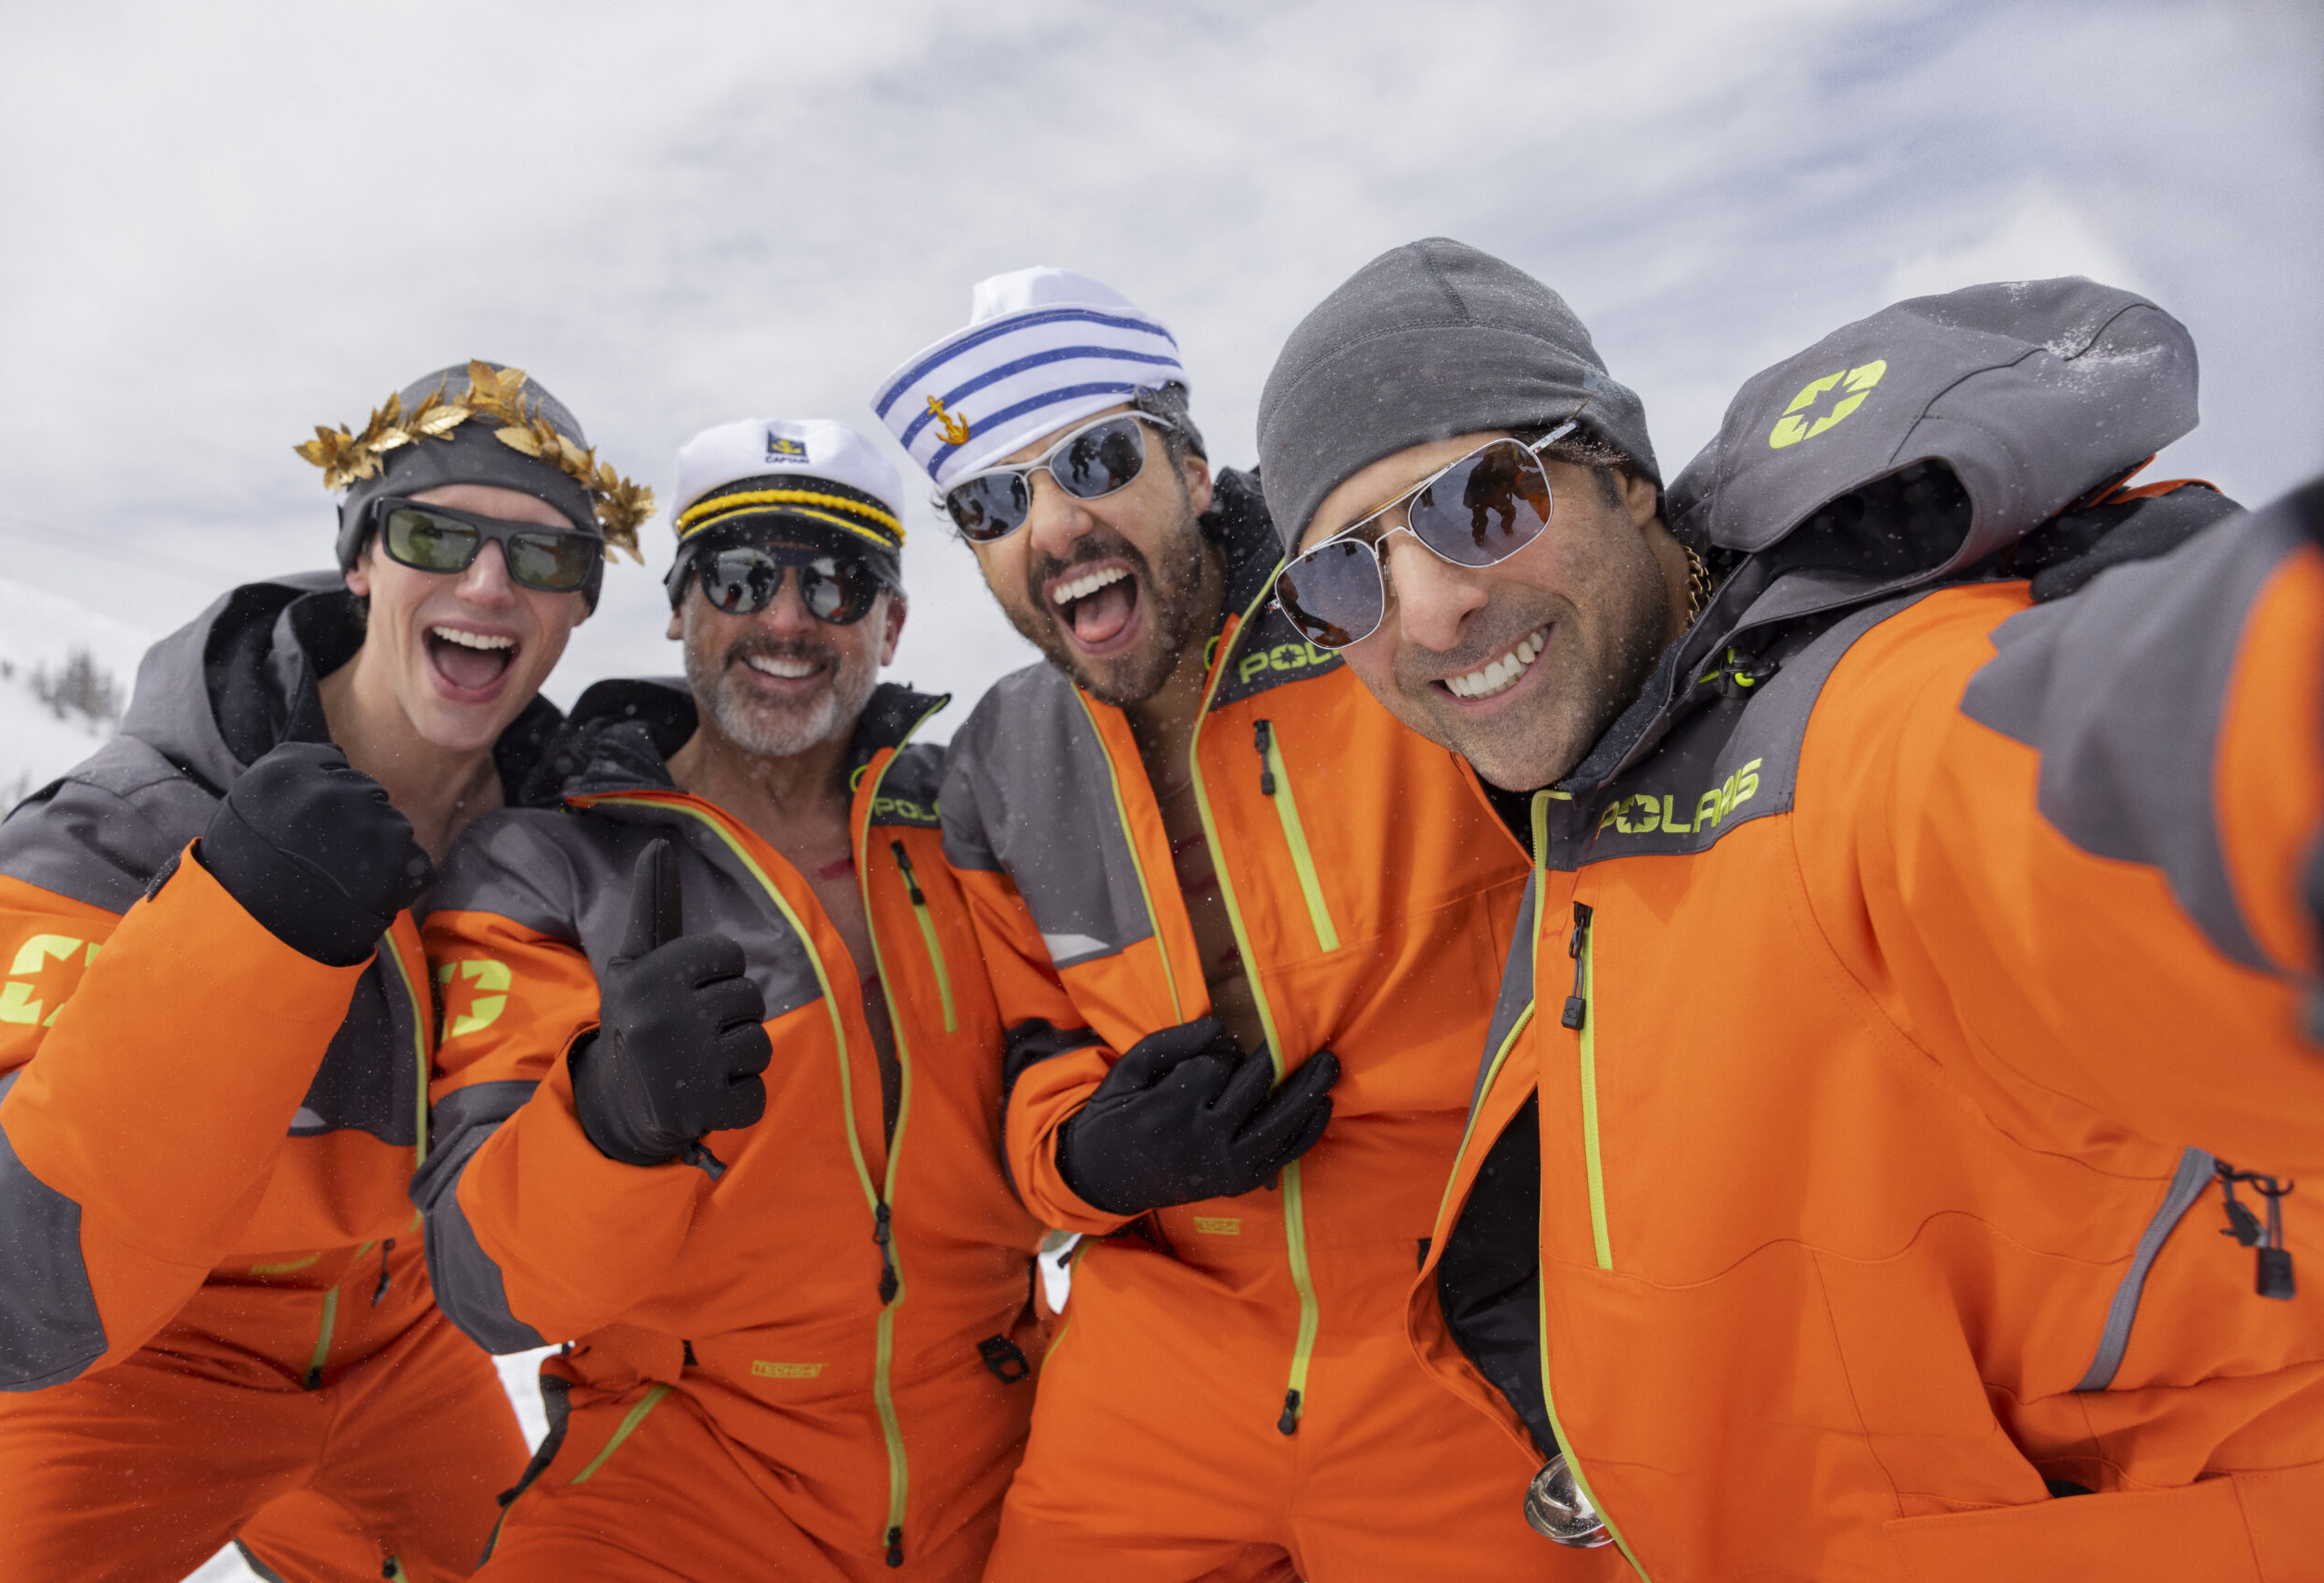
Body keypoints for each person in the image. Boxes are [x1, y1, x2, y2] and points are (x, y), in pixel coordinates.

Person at [1258, 237, 2324, 1578]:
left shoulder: (1850, 732)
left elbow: (2129, 767)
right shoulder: (1598, 797)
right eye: (1344, 576)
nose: (1427, 612)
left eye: (1481, 502)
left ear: (1623, 474)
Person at [870, 268, 1623, 1582]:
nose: (1053, 525)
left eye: (1096, 460)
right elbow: (1029, 1050)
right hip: (1159, 1354)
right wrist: (1090, 1160)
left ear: (1193, 468)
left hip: (1461, 1320)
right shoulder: (998, 761)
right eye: (991, 504)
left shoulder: (1384, 622)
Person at [0, 359, 645, 1578]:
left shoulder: (563, 844)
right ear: (362, 557)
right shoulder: (123, 826)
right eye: (436, 534)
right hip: (144, 1352)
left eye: (544, 556)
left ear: (580, 601)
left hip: (404, 1345)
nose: (490, 583)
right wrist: (244, 923)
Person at [413, 418, 1047, 1581]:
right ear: (679, 608)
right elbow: (485, 1286)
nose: (788, 618)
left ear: (891, 623)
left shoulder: (969, 820)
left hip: (1014, 1445)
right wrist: (607, 1123)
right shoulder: (548, 864)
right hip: (681, 1469)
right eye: (742, 576)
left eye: (839, 582)